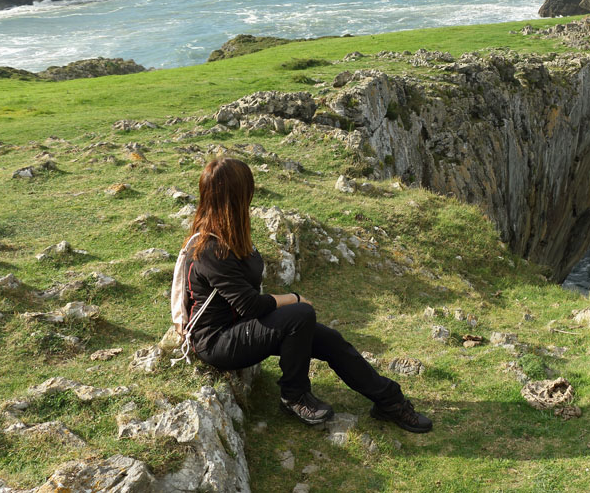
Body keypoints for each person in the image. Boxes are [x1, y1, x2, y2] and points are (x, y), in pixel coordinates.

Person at [184, 157, 432, 433]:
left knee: (330, 340)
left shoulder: (230, 232)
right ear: (236, 196)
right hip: (217, 341)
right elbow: (250, 305)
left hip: (240, 329)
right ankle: (294, 396)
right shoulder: (209, 248)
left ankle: (390, 402)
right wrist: (294, 298)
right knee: (301, 315)